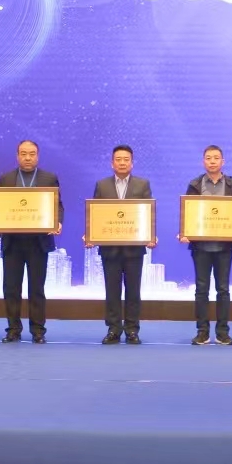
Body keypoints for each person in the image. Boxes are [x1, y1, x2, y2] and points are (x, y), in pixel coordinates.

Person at [0, 139, 63, 344]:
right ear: (17, 156)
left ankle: (38, 331)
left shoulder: (49, 178)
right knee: (11, 289)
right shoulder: (5, 178)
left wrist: (57, 222)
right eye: (23, 153)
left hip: (38, 243)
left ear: (37, 156)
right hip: (13, 243)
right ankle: (13, 330)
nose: (27, 157)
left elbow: (58, 205)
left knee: (37, 289)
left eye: (32, 154)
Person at [182, 145, 232, 346]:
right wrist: (185, 232)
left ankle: (222, 332)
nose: (212, 161)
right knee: (201, 290)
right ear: (203, 161)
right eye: (208, 158)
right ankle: (202, 332)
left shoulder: (231, 184)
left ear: (223, 161)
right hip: (201, 247)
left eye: (216, 158)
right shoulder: (195, 184)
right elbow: (188, 212)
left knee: (223, 290)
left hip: (224, 247)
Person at [89, 145, 154, 344]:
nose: (122, 163)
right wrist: (91, 235)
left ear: (132, 163)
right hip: (110, 249)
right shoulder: (102, 185)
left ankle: (132, 330)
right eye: (118, 159)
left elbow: (148, 213)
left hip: (134, 249)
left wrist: (150, 235)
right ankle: (114, 329)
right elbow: (96, 214)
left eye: (126, 159)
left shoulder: (142, 184)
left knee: (133, 291)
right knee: (112, 290)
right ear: (112, 163)